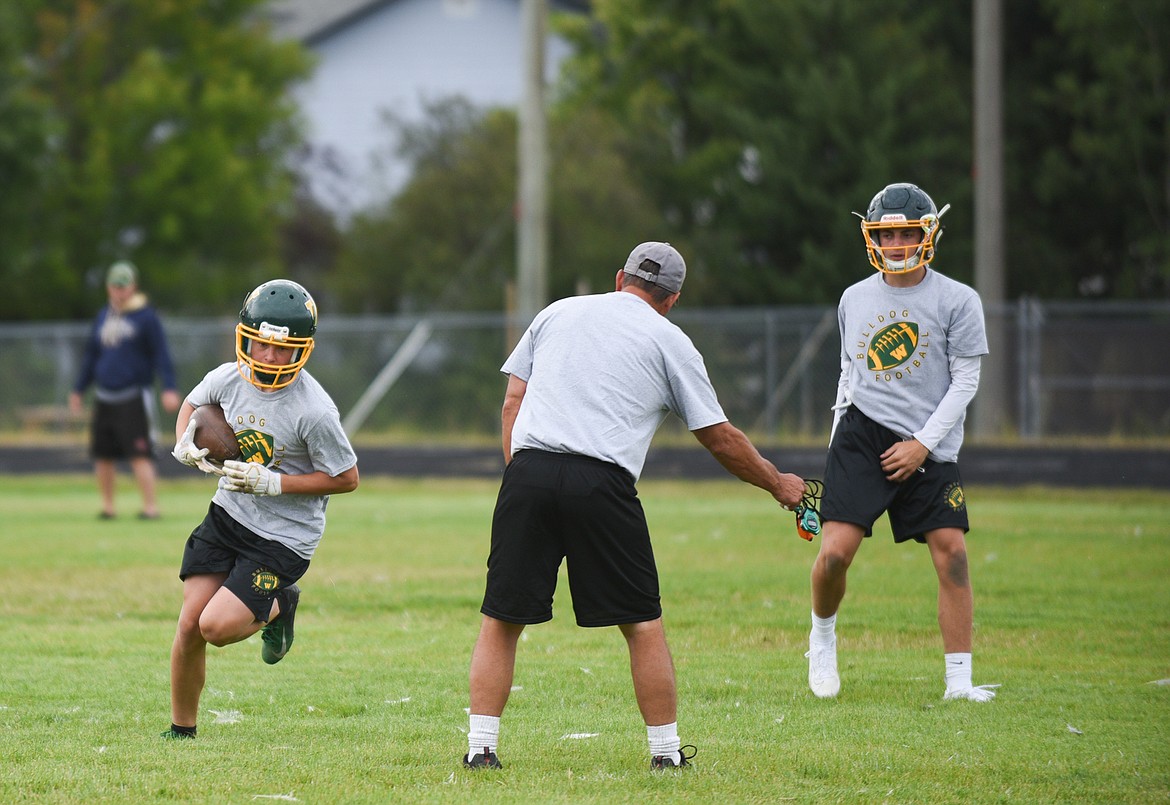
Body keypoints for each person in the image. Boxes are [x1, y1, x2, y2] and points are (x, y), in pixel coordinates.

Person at [463, 242, 806, 771]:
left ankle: (480, 749)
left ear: (619, 276)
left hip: (526, 473)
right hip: (601, 483)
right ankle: (665, 756)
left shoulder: (556, 311)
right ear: (671, 300)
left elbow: (513, 401)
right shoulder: (670, 340)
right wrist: (778, 483)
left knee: (501, 618)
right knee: (642, 624)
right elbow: (718, 437)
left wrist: (521, 478)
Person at [806, 183, 997, 702]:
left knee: (952, 554)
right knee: (834, 556)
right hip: (862, 432)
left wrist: (922, 445)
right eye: (885, 233)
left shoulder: (958, 299)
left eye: (905, 232)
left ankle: (959, 681)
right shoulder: (855, 297)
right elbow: (849, 376)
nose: (894, 243)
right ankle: (821, 641)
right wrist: (833, 453)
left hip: (929, 438)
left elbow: (965, 382)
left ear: (927, 233)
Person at [163, 279, 359, 740]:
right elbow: (194, 403)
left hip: (282, 537)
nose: (269, 357)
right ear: (246, 338)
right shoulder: (227, 376)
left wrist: (276, 482)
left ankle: (280, 604)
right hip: (228, 515)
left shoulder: (314, 410)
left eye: (282, 348)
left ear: (301, 350)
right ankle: (181, 731)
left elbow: (347, 477)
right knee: (190, 623)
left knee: (215, 626)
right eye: (262, 345)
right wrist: (184, 441)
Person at [69, 261, 182, 519]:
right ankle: (108, 507)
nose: (119, 291)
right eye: (115, 286)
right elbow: (91, 357)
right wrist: (78, 389)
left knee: (139, 453)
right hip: (104, 395)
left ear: (133, 287)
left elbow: (161, 354)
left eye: (124, 286)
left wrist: (169, 387)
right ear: (109, 287)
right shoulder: (103, 316)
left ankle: (150, 507)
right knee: (103, 454)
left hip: (133, 395)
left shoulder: (145, 317)